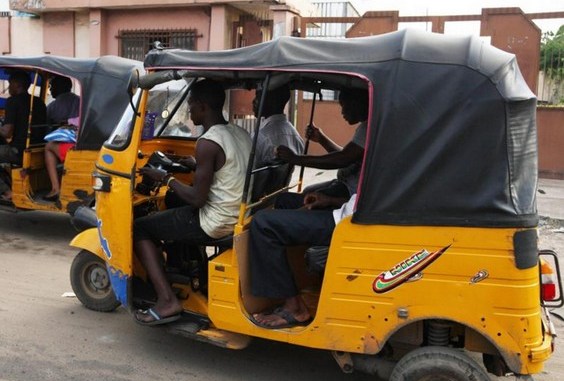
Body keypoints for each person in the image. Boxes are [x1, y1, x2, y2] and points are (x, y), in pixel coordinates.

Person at [133, 79, 252, 326]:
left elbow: (197, 200)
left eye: (191, 105)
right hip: (238, 214)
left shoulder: (207, 143)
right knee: (176, 205)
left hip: (216, 221)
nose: (189, 110)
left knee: (142, 228)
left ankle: (167, 300)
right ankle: (182, 269)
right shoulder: (239, 133)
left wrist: (166, 177)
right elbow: (228, 169)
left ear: (202, 106)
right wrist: (197, 165)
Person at [250, 192, 356, 329]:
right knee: (284, 200)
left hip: (348, 224)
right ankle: (290, 286)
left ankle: (295, 309)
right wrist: (331, 199)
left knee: (263, 222)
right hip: (348, 213)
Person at [274, 87, 368, 209]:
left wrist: (295, 159)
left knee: (284, 200)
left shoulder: (367, 128)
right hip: (344, 184)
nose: (342, 112)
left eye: (344, 105)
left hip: (349, 192)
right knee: (308, 190)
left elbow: (343, 159)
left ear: (357, 104)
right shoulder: (366, 126)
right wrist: (321, 139)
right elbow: (346, 156)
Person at [0, 71, 47, 201]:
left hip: (19, 150)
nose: (9, 88)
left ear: (17, 85)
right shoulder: (38, 102)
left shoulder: (13, 101)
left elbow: (7, 132)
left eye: (10, 84)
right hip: (37, 148)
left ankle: (7, 191)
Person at [43, 76, 80, 201]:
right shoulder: (80, 100)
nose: (51, 90)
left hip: (72, 147)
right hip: (80, 141)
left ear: (60, 87)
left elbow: (46, 126)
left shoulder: (52, 106)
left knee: (48, 147)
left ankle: (55, 188)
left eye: (52, 87)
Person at [252, 84, 304, 167]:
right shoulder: (296, 136)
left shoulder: (260, 137)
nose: (253, 101)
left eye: (258, 96)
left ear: (271, 101)